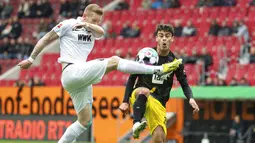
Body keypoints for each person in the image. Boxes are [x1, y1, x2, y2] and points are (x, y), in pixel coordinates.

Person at [18, 4, 181, 143]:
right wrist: (31, 59)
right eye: (93, 19)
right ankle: (158, 69)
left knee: (84, 122)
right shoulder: (67, 24)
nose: (97, 23)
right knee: (115, 60)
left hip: (80, 79)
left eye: (98, 21)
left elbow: (101, 32)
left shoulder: (92, 29)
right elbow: (46, 38)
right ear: (84, 15)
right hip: (71, 71)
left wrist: (88, 25)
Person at [119, 24, 199, 142]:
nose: (164, 38)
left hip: (159, 103)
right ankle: (136, 123)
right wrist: (125, 101)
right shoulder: (145, 55)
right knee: (144, 91)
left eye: (167, 36)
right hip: (140, 94)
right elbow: (132, 78)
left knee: (159, 138)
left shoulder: (175, 62)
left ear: (172, 39)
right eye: (161, 36)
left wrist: (191, 98)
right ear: (156, 38)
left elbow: (184, 84)